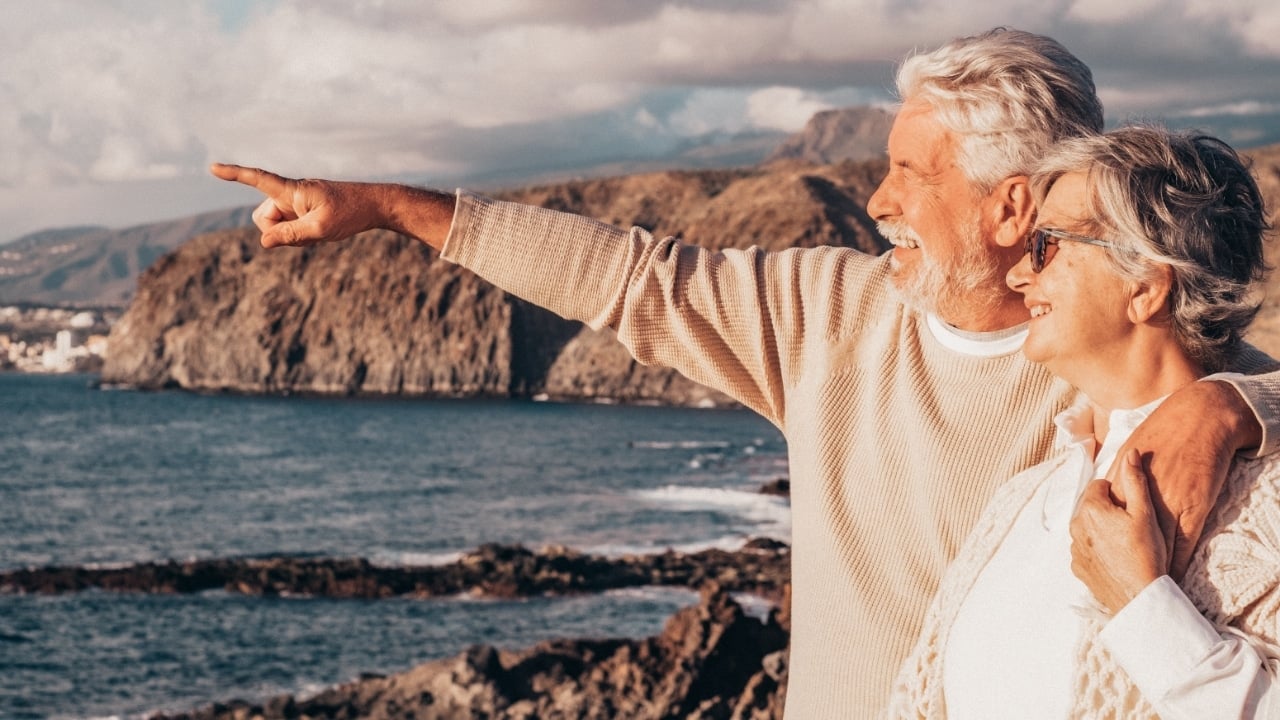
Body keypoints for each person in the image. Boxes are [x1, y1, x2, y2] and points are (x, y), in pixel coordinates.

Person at [211, 28, 1280, 716]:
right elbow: (629, 277)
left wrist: (1225, 401)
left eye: (911, 171)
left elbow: (1239, 388)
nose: (881, 200)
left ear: (1009, 206)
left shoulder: (1105, 368)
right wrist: (395, 210)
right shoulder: (832, 313)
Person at [888, 126, 1280, 718]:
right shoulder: (1021, 500)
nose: (1018, 276)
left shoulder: (1267, 503)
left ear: (1145, 284)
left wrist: (1143, 607)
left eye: (1045, 245)